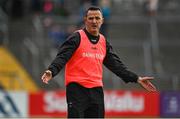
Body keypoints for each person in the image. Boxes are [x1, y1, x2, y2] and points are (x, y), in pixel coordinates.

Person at [41, 6, 157, 118]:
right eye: (91, 18)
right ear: (85, 20)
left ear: (102, 21)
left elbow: (117, 66)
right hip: (76, 89)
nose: (94, 21)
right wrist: (52, 70)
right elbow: (62, 57)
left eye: (97, 18)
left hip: (96, 91)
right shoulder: (76, 38)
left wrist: (136, 78)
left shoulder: (103, 42)